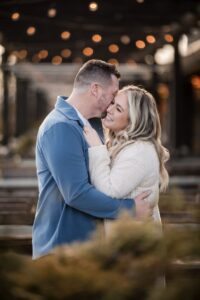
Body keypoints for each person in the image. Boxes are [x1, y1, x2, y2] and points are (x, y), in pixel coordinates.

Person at [32, 60, 151, 259]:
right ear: (95, 89)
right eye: (113, 95)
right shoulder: (61, 126)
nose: (113, 102)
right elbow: (76, 193)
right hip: (63, 248)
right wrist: (130, 209)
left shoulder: (88, 125)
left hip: (83, 248)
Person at [84, 85, 169, 234]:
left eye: (118, 109)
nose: (109, 109)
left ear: (133, 121)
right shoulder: (125, 146)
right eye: (112, 103)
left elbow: (108, 191)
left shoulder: (139, 151)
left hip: (137, 246)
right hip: (129, 240)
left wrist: (96, 148)